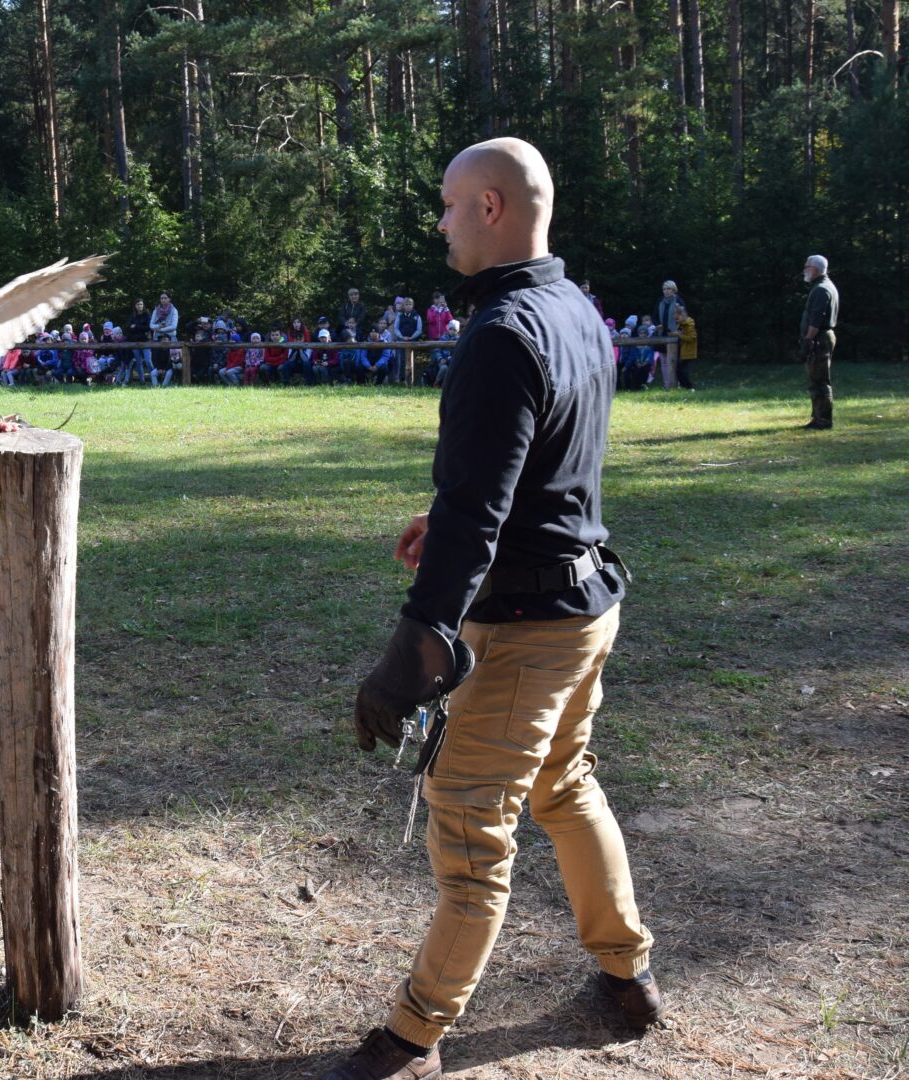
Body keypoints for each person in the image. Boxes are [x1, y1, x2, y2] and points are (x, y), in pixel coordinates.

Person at [319, 137, 658, 1080]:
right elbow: (540, 469)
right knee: (563, 785)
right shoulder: (575, 312)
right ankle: (627, 975)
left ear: (494, 209)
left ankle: (411, 1038)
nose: (439, 220)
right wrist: (461, 517)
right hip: (586, 603)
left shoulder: (506, 332)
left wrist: (416, 644)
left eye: (449, 203)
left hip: (530, 627)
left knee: (468, 823)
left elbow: (479, 511)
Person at [800, 254, 838, 429]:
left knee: (820, 380)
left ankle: (823, 420)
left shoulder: (821, 289)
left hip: (819, 338)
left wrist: (809, 339)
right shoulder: (824, 286)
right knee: (816, 378)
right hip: (821, 337)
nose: (804, 270)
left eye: (806, 267)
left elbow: (817, 318)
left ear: (814, 269)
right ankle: (818, 418)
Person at [394, 297, 424, 383]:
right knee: (400, 360)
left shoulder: (417, 316)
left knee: (411, 360)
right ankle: (399, 379)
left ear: (413, 305)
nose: (408, 306)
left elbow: (419, 329)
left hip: (413, 341)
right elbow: (396, 328)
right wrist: (402, 337)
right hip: (401, 341)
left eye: (410, 304)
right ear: (403, 306)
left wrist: (412, 337)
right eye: (406, 304)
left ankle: (410, 380)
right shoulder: (399, 316)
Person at [672, 302, 697, 391]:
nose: (676, 319)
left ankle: (689, 387)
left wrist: (679, 335)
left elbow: (692, 338)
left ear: (683, 315)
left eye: (677, 317)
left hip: (688, 351)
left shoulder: (689, 324)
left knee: (682, 369)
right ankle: (685, 386)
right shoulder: (680, 324)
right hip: (682, 350)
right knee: (679, 369)